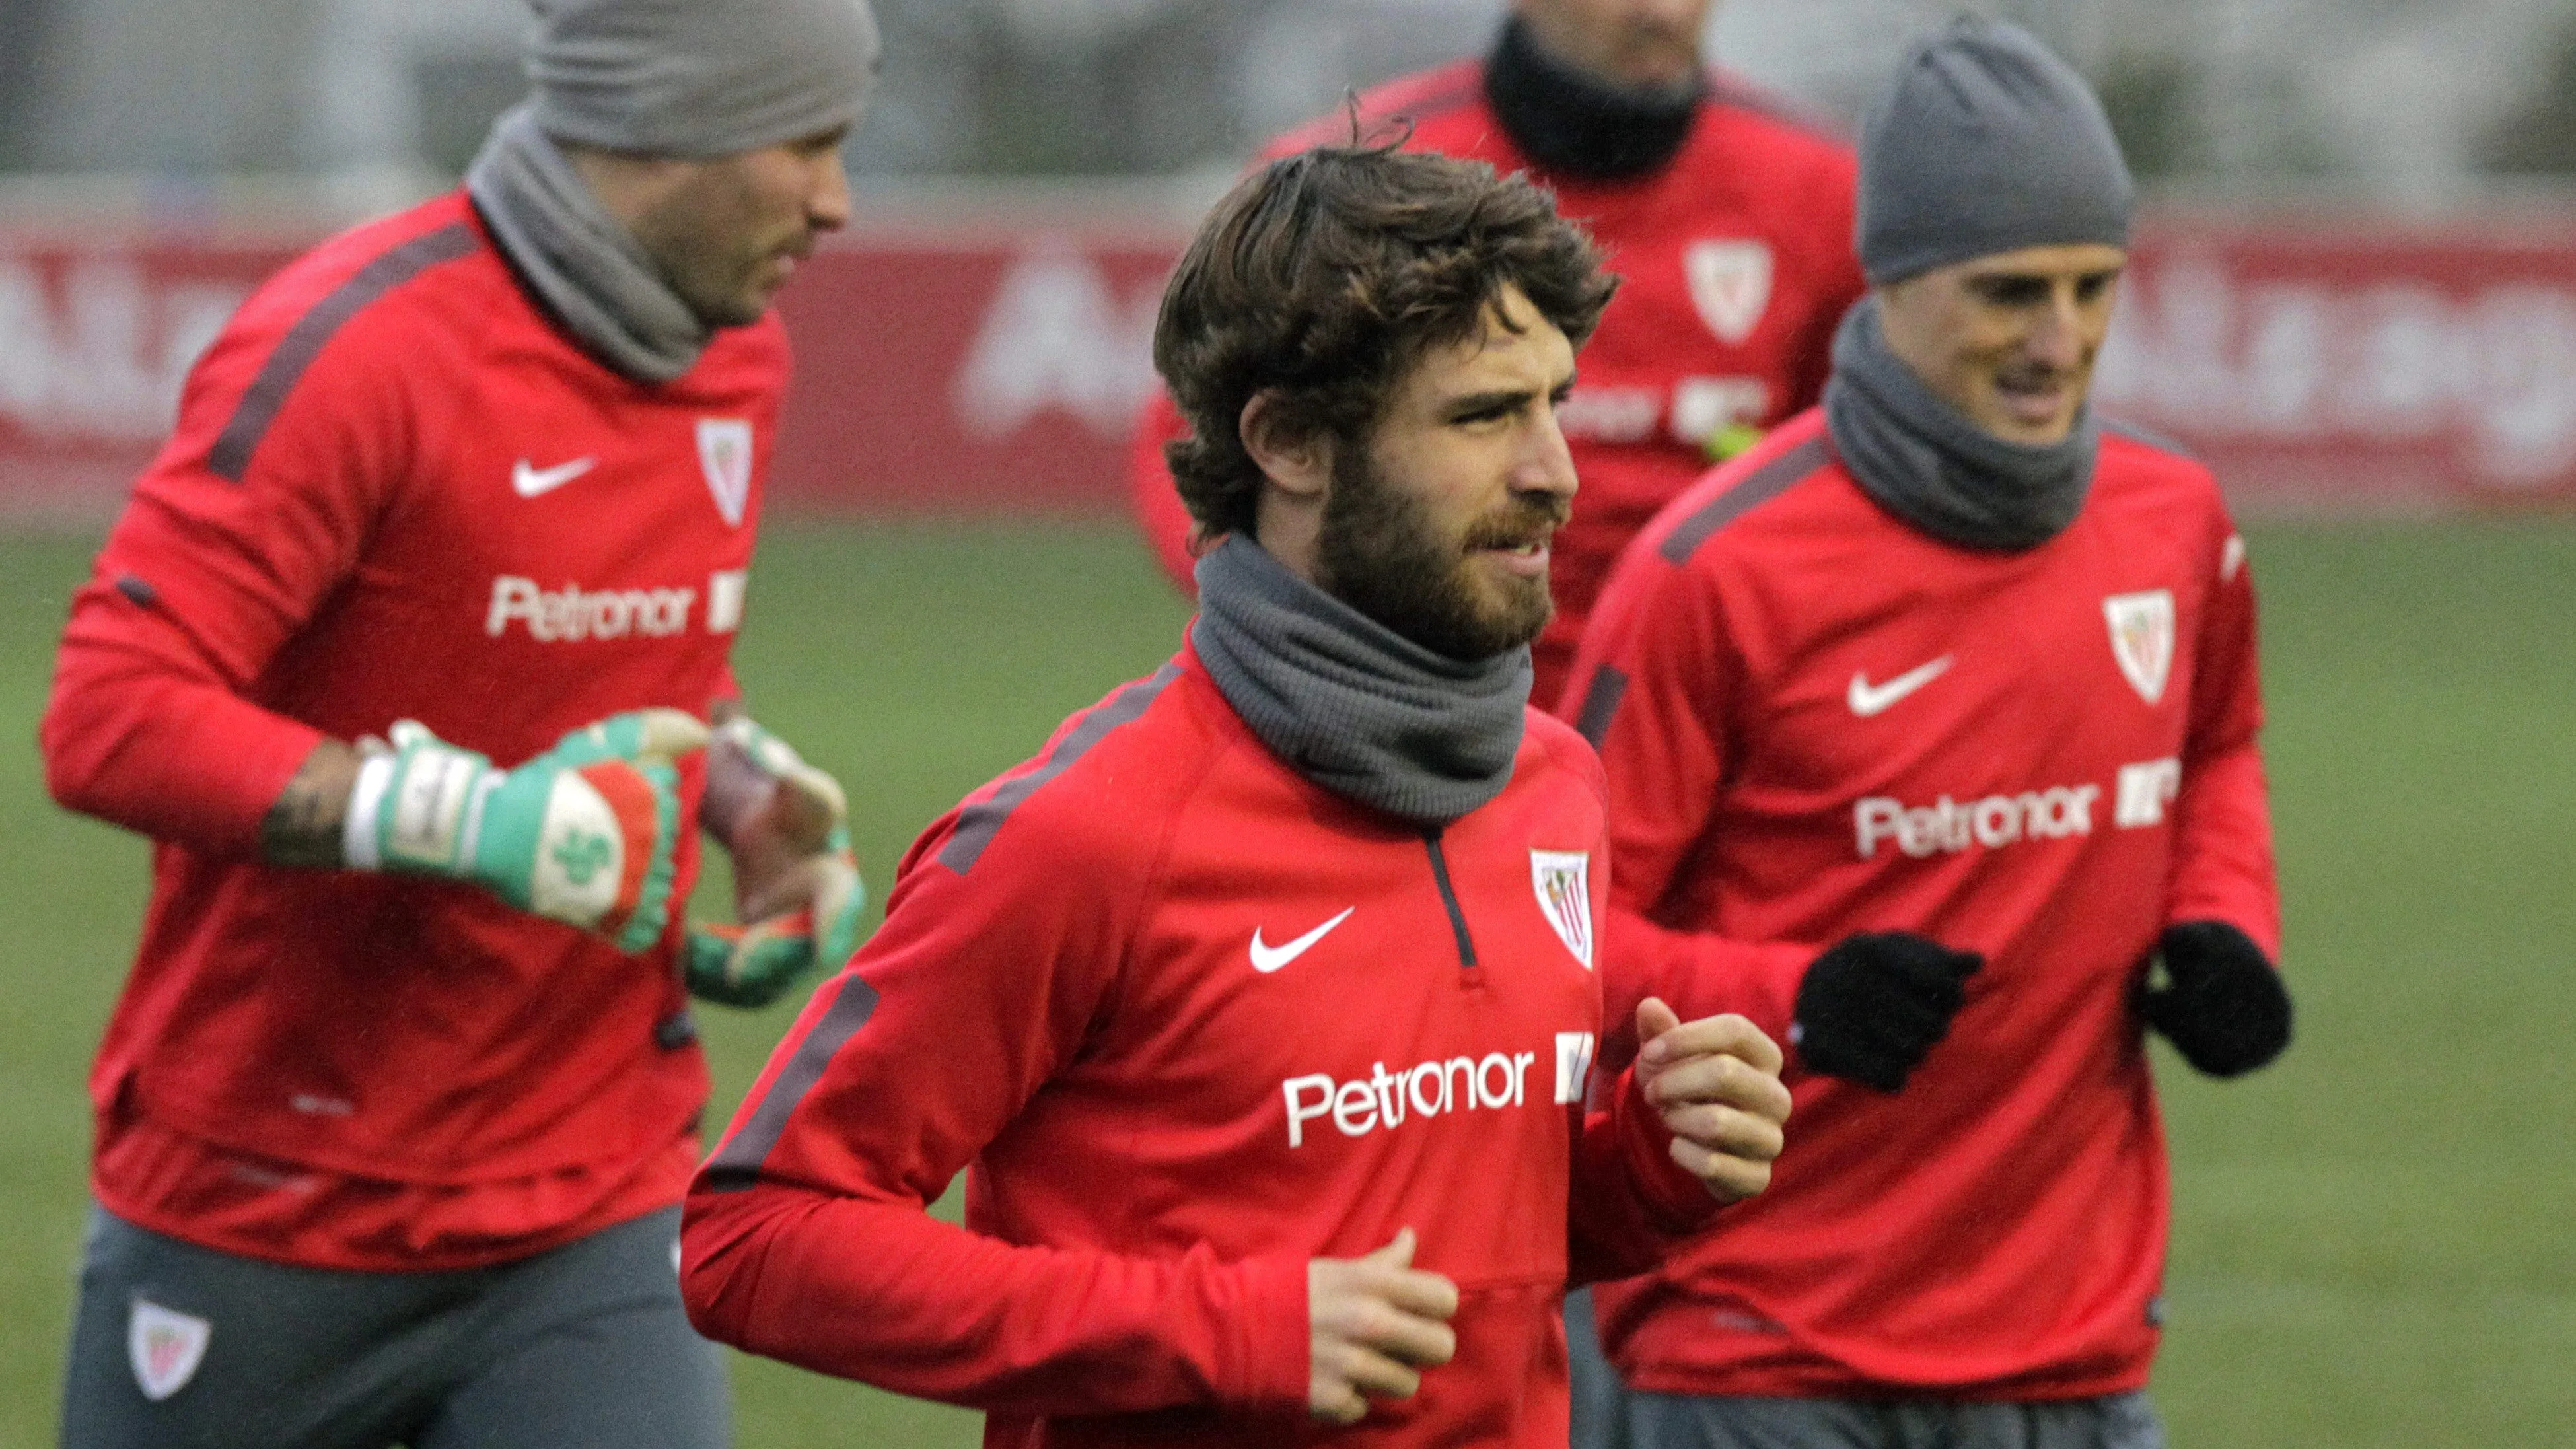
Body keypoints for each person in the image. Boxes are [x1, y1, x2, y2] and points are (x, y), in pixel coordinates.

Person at [679, 142, 1795, 1448]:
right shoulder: (1082, 835)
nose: (1559, 468)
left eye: (1555, 401)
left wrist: (1654, 1172)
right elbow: (754, 1238)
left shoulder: (1555, 783)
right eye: (1486, 414)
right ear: (1291, 442)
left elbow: (1460, 1244)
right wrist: (1223, 1333)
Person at [38, 1, 881, 1443]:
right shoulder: (357, 344)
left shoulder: (739, 351)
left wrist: (738, 799)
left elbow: (614, 670)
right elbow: (109, 710)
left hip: (594, 1207)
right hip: (264, 1203)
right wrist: (464, 821)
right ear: (664, 125)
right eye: (803, 143)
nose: (837, 202)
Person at [1557, 19, 2292, 1448]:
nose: (2061, 339)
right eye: (2010, 292)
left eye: (2094, 287)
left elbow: (2215, 744)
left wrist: (2223, 921)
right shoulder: (1719, 568)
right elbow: (1556, 938)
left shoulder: (2176, 519)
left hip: (2075, 1349)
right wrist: (1795, 995)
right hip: (1758, 1351)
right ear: (1891, 282)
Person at [1127, 0, 1865, 703]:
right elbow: (1189, 451)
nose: (1663, 14)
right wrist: (1318, 647)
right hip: (1419, 723)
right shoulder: (1351, 180)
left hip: (1709, 723)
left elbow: (1847, 477)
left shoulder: (1820, 188)